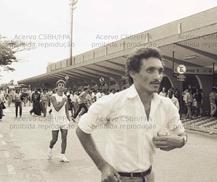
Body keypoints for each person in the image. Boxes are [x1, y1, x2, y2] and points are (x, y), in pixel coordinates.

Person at [76, 47, 187, 182]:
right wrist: (102, 165)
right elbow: (82, 129)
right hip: (119, 179)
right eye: (150, 70)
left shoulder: (166, 105)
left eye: (160, 71)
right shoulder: (113, 102)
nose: (157, 77)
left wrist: (181, 141)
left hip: (149, 177)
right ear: (133, 73)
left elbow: (182, 134)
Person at [48, 80, 71, 162]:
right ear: (57, 87)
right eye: (59, 85)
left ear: (64, 88)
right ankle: (50, 148)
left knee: (64, 138)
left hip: (64, 120)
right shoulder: (53, 97)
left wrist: (68, 118)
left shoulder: (65, 97)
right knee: (54, 139)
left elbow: (66, 109)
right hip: (55, 120)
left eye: (62, 85)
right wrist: (63, 101)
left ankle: (62, 155)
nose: (61, 86)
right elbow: (57, 108)